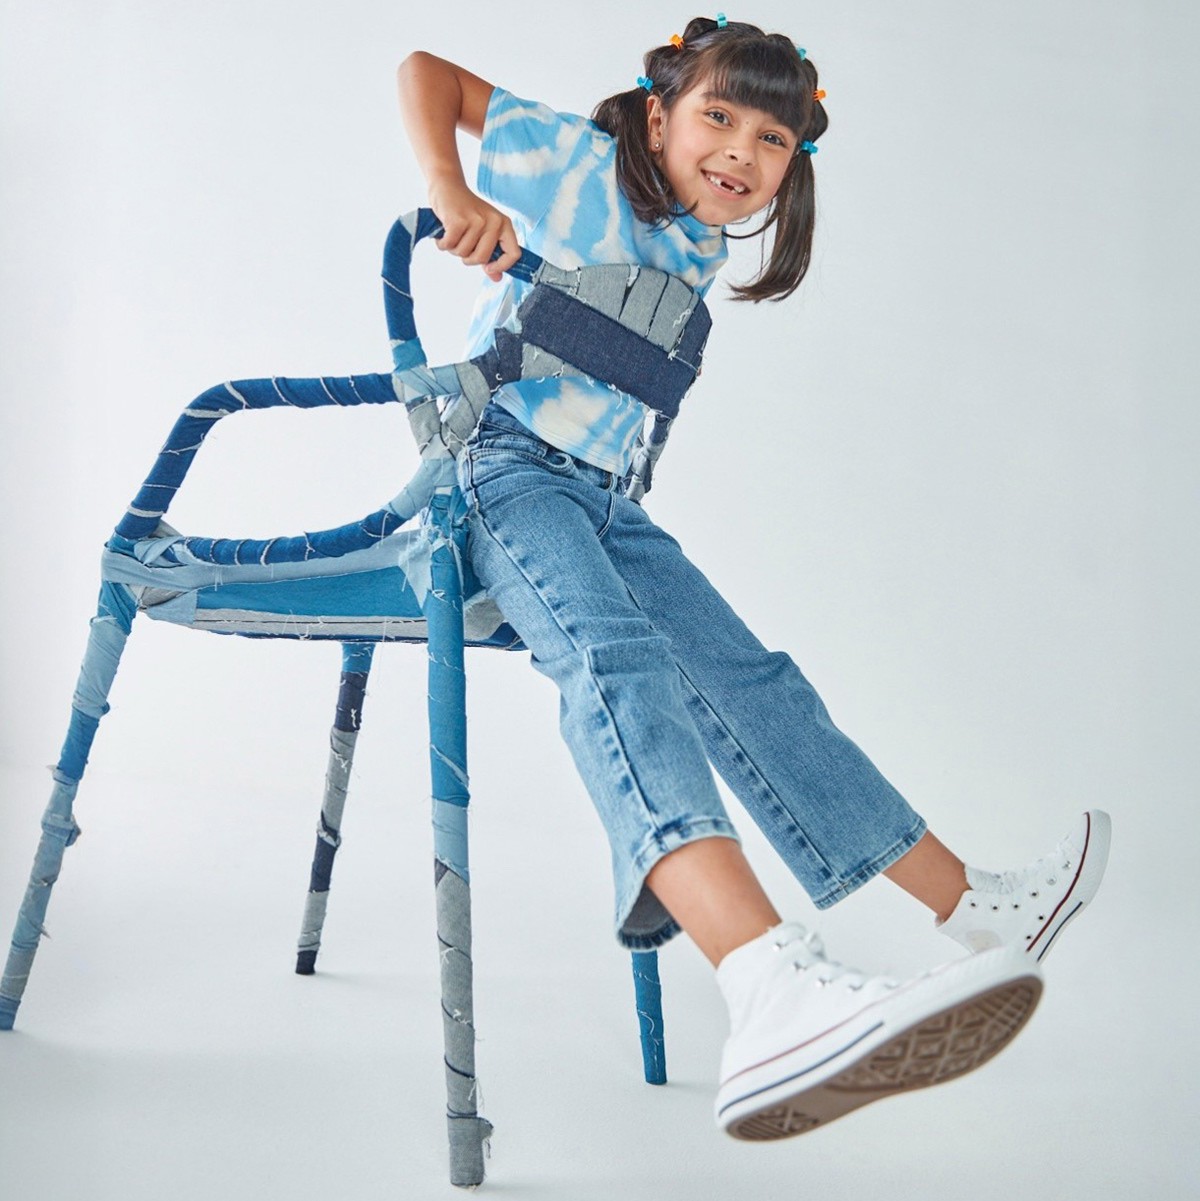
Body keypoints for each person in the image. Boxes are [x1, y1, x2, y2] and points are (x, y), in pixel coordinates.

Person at [396, 15, 1110, 1141]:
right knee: (617, 663)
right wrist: (452, 188)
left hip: (602, 499)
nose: (739, 150)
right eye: (718, 116)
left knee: (754, 683)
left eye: (772, 138)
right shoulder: (581, 164)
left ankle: (975, 907)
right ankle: (766, 984)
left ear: (793, 167)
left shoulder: (699, 245)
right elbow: (426, 73)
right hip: (498, 473)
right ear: (658, 116)